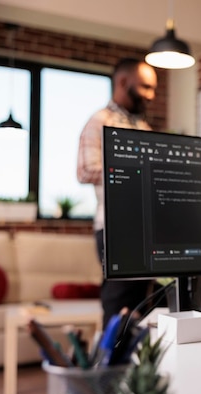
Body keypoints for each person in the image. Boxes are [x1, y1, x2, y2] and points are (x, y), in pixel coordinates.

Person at [77, 57, 158, 329]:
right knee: (118, 303)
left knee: (143, 304)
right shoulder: (99, 121)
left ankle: (139, 370)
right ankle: (109, 369)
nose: (151, 95)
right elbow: (85, 170)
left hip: (145, 229)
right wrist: (132, 170)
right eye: (146, 87)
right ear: (123, 82)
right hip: (115, 228)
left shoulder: (143, 126)